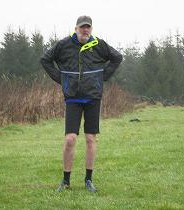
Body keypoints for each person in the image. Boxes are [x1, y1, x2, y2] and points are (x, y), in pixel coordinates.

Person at [40, 15, 122, 192]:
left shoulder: (99, 45)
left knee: (91, 138)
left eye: (88, 27)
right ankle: (66, 181)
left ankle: (88, 180)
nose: (86, 30)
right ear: (76, 28)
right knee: (70, 139)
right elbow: (45, 59)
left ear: (91, 29)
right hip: (73, 98)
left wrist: (103, 76)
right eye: (82, 27)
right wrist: (60, 78)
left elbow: (117, 57)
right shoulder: (63, 45)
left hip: (93, 97)